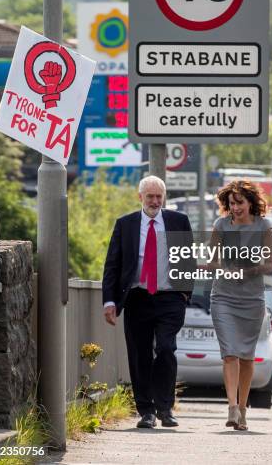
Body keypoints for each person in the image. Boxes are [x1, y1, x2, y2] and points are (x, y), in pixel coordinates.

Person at [102, 175, 194, 429]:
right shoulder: (126, 224)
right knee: (139, 354)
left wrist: (185, 292)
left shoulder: (178, 221)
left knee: (166, 349)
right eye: (150, 196)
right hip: (137, 298)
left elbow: (188, 259)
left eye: (158, 196)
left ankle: (165, 408)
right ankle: (146, 411)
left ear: (164, 198)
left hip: (169, 298)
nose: (154, 201)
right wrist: (110, 301)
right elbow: (113, 265)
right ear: (140, 197)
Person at [208, 180, 272, 431]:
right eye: (231, 203)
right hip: (223, 296)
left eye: (240, 202)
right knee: (229, 353)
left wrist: (250, 269)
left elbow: (270, 264)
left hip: (251, 299)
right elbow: (213, 260)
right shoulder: (220, 225)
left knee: (247, 357)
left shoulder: (263, 227)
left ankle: (244, 409)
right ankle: (232, 407)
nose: (235, 207)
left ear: (251, 202)